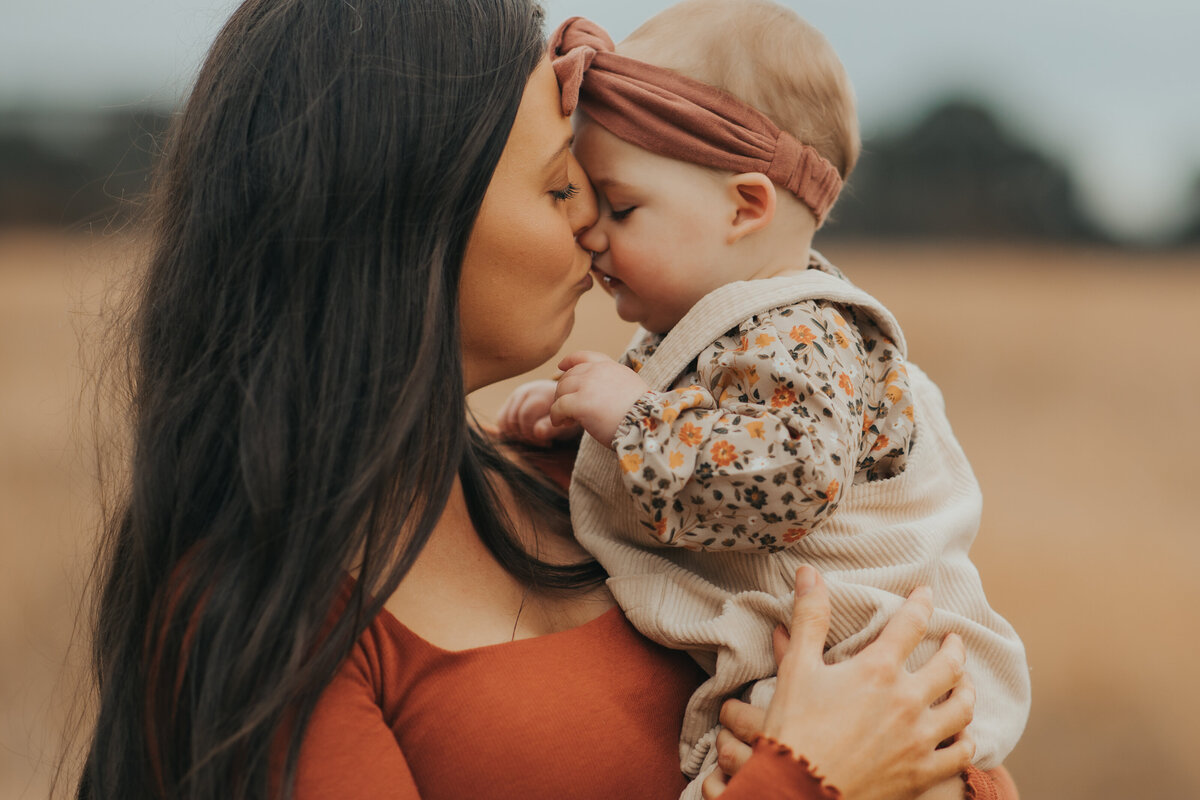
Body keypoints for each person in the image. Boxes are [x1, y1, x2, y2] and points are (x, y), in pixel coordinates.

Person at [74, 1, 991, 799]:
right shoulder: (257, 624)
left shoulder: (604, 483)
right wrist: (804, 782)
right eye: (560, 185)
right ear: (407, 218)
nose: (592, 228)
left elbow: (937, 734)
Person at [497, 3, 1029, 796]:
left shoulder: (803, 332)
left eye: (622, 206)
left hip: (870, 670)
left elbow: (788, 479)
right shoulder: (721, 327)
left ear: (746, 206)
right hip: (823, 680)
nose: (591, 233)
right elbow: (705, 429)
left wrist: (633, 420)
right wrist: (583, 420)